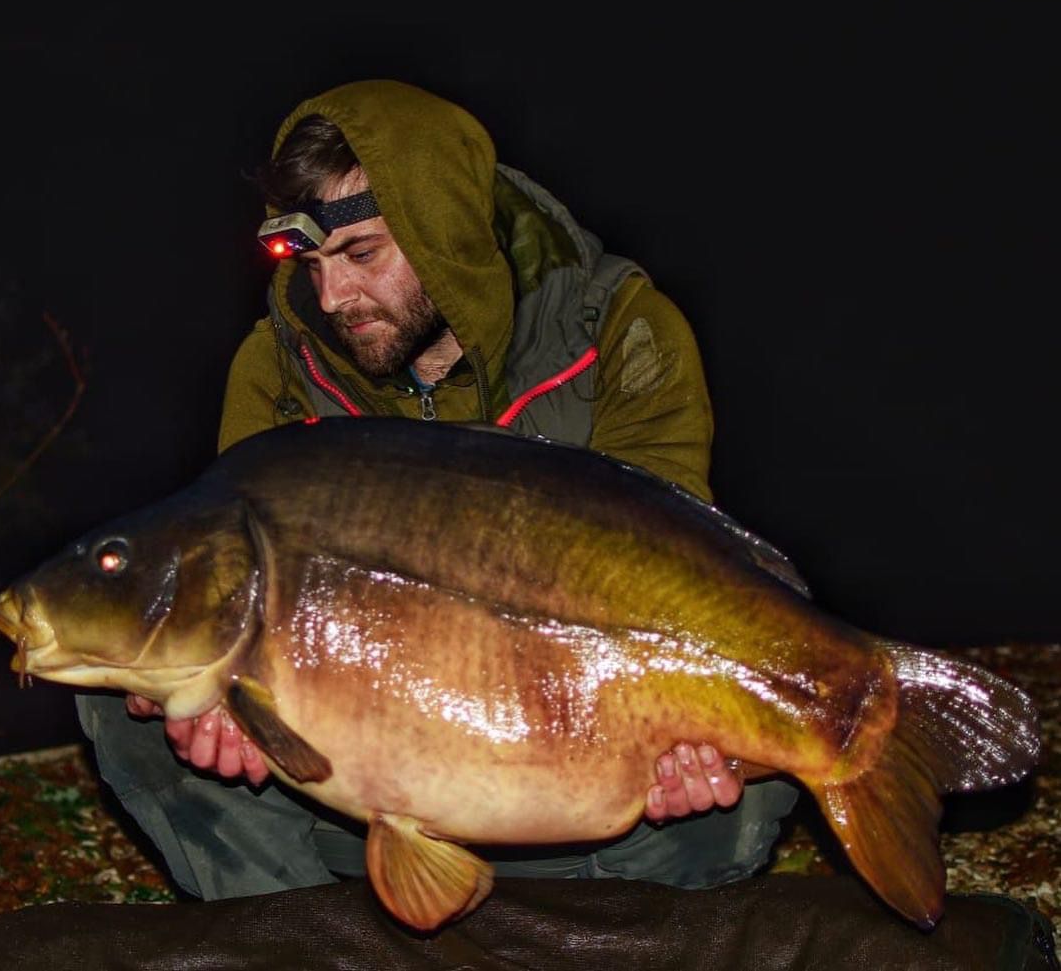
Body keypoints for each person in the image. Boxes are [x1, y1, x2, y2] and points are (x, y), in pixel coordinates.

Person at [76, 79, 797, 901]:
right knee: (132, 699)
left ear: (444, 229)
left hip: (585, 784)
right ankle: (305, 933)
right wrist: (223, 707)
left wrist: (689, 741)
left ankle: (611, 925)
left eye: (362, 255)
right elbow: (248, 600)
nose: (333, 298)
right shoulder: (276, 372)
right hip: (349, 801)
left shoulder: (617, 331)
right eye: (311, 265)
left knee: (775, 722)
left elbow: (675, 574)